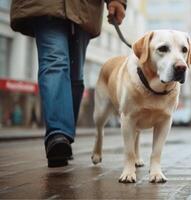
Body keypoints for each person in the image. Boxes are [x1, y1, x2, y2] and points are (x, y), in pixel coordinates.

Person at [10, 0, 127, 167]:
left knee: (75, 75)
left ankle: (63, 139)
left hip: (83, 7)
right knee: (54, 61)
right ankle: (58, 134)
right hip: (45, 5)